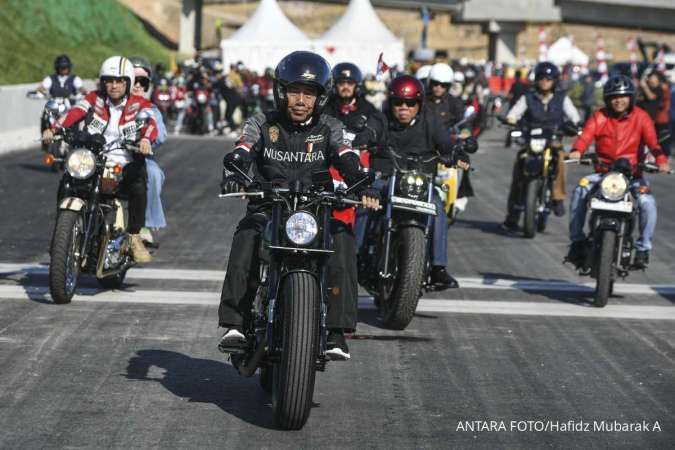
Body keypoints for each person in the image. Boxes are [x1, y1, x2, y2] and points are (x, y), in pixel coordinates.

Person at [217, 51, 380, 361]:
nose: (301, 100)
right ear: (281, 92)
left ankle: (335, 332)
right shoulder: (262, 122)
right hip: (269, 205)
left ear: (321, 97)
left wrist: (359, 178)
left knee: (344, 239)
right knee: (246, 235)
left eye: (310, 93)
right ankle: (235, 322)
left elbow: (346, 155)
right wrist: (235, 169)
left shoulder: (330, 126)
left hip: (316, 210)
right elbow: (243, 147)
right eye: (294, 91)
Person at [356, 75, 471, 289]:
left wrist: (458, 154)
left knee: (437, 208)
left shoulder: (431, 121)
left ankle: (438, 268)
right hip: (386, 179)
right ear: (391, 103)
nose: (404, 107)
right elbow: (370, 130)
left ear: (419, 104)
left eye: (410, 103)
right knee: (366, 201)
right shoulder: (381, 118)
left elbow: (446, 143)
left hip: (421, 183)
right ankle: (355, 255)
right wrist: (363, 138)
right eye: (398, 102)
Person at [42, 56, 158, 264]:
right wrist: (55, 129)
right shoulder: (93, 99)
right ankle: (60, 232)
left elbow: (151, 123)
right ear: (103, 82)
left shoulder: (140, 104)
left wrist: (146, 140)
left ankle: (133, 236)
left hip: (122, 163)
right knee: (67, 180)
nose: (113, 86)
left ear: (128, 82)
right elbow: (75, 112)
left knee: (139, 179)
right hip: (92, 159)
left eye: (119, 81)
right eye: (109, 81)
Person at [566, 75, 671, 268]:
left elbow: (653, 143)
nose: (619, 100)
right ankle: (577, 242)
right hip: (603, 174)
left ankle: (643, 248)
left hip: (633, 177)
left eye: (623, 96)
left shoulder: (641, 117)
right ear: (607, 99)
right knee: (580, 189)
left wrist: (662, 160)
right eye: (614, 96)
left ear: (631, 97)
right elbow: (585, 136)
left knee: (648, 202)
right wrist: (577, 150)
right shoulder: (600, 116)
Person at [502, 61, 581, 231]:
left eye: (549, 78)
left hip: (553, 140)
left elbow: (574, 116)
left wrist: (576, 125)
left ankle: (558, 198)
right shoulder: (527, 97)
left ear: (555, 81)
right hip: (530, 141)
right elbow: (514, 114)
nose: (545, 81)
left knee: (560, 159)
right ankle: (513, 214)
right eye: (542, 78)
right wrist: (511, 121)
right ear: (536, 79)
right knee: (518, 170)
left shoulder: (562, 98)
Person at [129, 56, 169, 247]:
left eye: (142, 82)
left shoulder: (150, 109)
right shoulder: (108, 104)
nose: (137, 86)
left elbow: (160, 134)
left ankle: (144, 225)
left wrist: (146, 139)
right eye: (132, 80)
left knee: (152, 173)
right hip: (108, 156)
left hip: (138, 158)